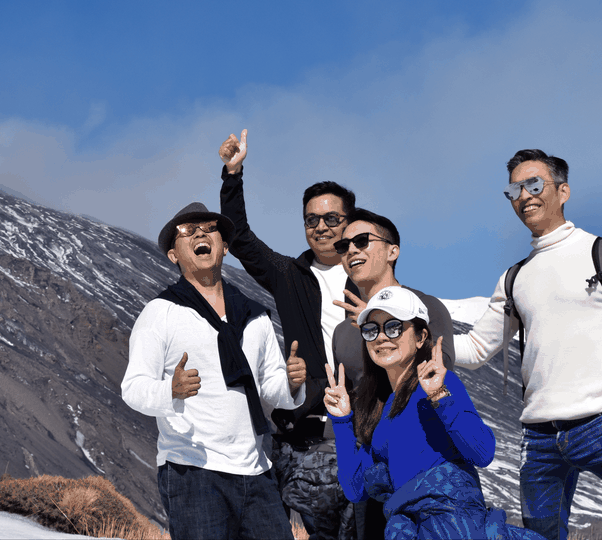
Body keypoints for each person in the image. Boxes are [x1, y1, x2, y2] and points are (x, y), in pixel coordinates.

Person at [122, 201, 307, 540]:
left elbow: (270, 390)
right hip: (193, 471)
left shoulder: (255, 316)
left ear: (224, 246)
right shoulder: (160, 313)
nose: (200, 235)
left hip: (257, 469)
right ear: (173, 255)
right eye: (187, 232)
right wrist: (170, 391)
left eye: (209, 229)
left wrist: (293, 384)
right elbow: (133, 388)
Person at [453, 149, 602, 540]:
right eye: (514, 189)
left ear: (563, 191)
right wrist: (406, 326)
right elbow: (474, 349)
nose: (524, 195)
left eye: (534, 184)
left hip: (598, 421)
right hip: (538, 436)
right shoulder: (514, 277)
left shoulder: (596, 253)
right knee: (540, 536)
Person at [219, 129, 356, 540]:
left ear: (351, 222)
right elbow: (239, 237)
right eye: (311, 219)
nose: (321, 227)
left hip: (361, 435)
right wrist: (233, 173)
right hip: (305, 438)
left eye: (332, 218)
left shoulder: (371, 279)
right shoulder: (289, 276)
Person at [324, 286, 542, 540]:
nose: (381, 337)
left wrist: (440, 397)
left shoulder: (438, 386)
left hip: (457, 528)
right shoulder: (378, 409)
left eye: (393, 327)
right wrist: (342, 421)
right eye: (371, 331)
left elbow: (483, 452)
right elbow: (354, 488)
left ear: (420, 337)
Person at [329, 208, 455, 540]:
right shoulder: (343, 332)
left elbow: (442, 379)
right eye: (344, 246)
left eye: (361, 241)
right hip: (372, 474)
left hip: (429, 470)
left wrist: (383, 329)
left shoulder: (425, 307)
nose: (351, 251)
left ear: (392, 251)